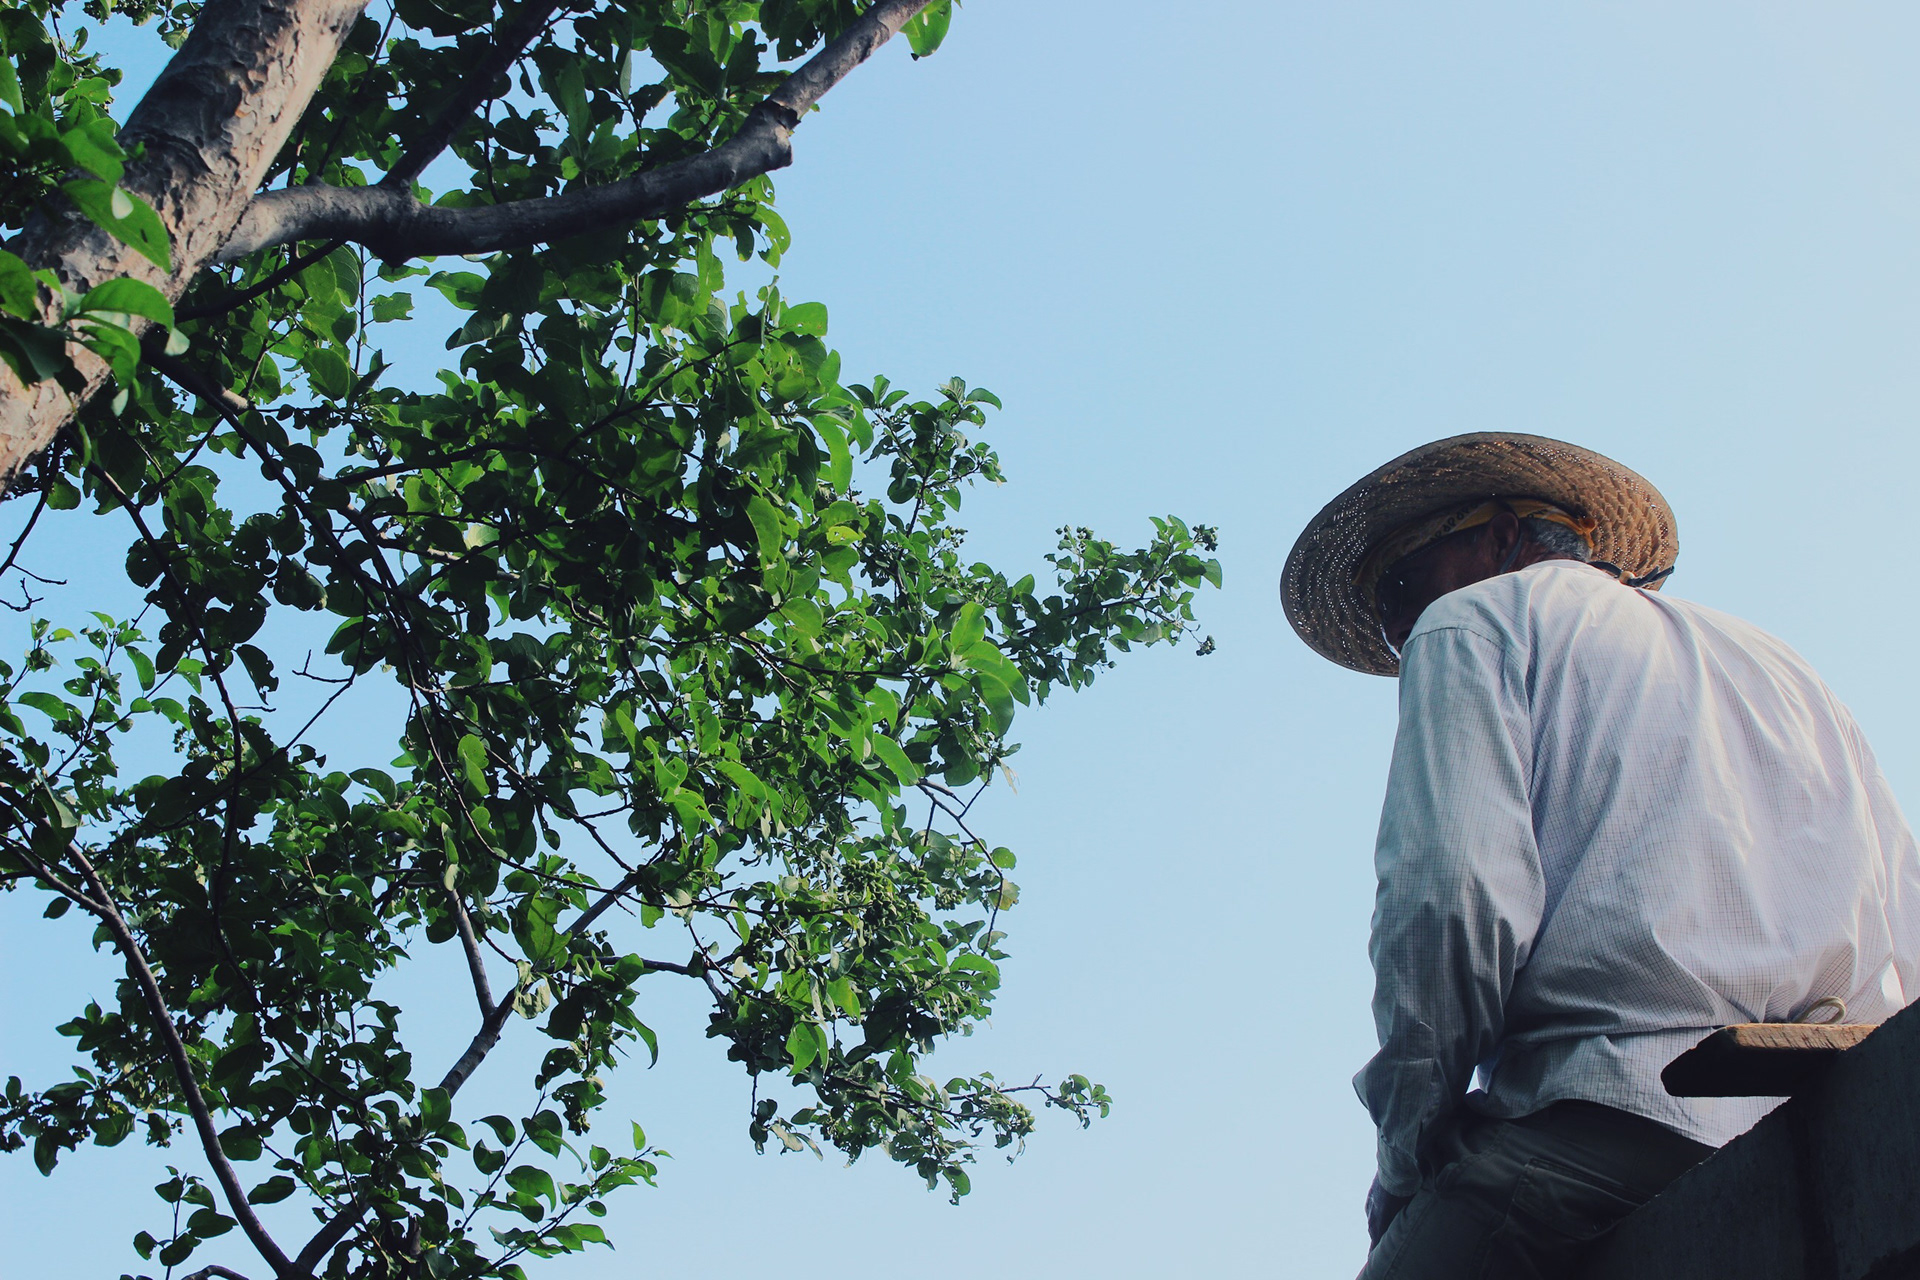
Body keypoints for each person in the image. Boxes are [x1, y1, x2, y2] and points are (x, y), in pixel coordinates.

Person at [1279, 433, 1920, 1279]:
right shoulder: (1788, 670)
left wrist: (1407, 1152)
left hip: (1614, 1120)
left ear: (1500, 536)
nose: (1398, 630)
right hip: (1841, 1125)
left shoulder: (1472, 622)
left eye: (1401, 585)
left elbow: (1448, 904)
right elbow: (1902, 914)